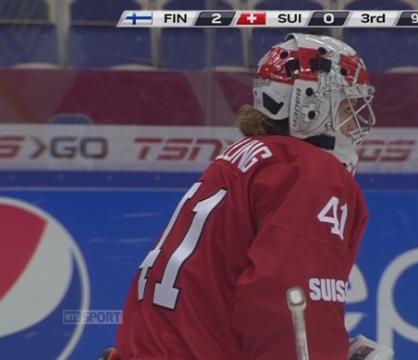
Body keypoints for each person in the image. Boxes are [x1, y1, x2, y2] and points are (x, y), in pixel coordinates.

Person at [116, 33, 386, 359]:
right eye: (345, 107)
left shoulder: (243, 157)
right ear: (311, 105)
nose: (352, 124)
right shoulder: (311, 173)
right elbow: (291, 299)